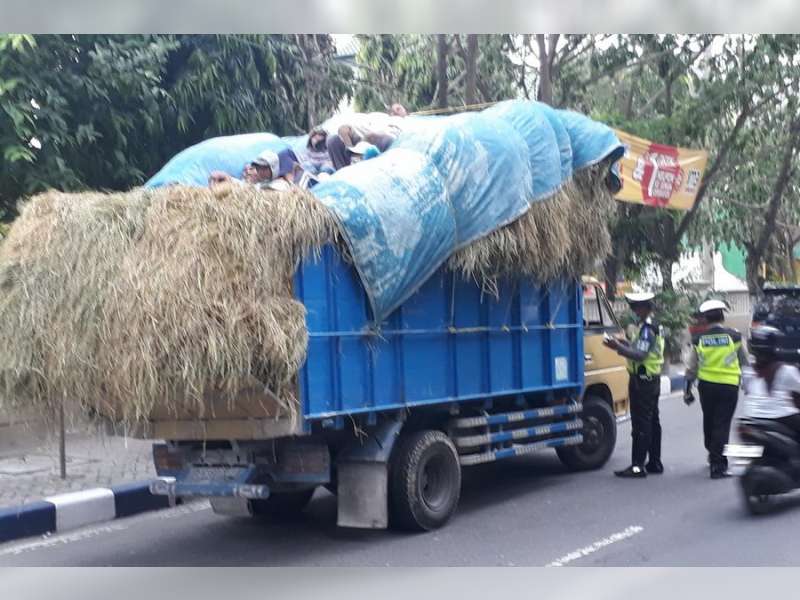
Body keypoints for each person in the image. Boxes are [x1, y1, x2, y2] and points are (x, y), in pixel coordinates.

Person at [684, 299, 749, 479]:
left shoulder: (698, 340)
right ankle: (718, 465)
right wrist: (749, 383)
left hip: (707, 386)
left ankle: (713, 453)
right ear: (722, 316)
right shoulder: (734, 336)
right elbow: (745, 360)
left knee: (710, 421)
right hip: (729, 386)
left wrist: (687, 390)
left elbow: (691, 367)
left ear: (705, 319)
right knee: (722, 424)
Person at [603, 292, 665, 478]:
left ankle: (638, 466)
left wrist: (618, 348)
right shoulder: (648, 327)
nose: (633, 311)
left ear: (645, 307)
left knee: (641, 424)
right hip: (650, 379)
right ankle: (654, 462)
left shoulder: (647, 329)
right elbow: (640, 348)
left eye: (636, 307)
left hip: (643, 381)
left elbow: (640, 355)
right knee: (653, 421)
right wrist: (625, 343)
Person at [743, 325, 800, 439]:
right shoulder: (786, 370)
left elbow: (747, 391)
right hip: (780, 416)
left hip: (751, 416)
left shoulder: (748, 370)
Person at [327, 109, 406, 170]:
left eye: (399, 109)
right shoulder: (374, 117)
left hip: (377, 141)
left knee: (383, 139)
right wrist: (350, 148)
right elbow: (343, 130)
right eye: (395, 109)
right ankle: (343, 175)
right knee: (333, 140)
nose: (396, 111)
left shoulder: (401, 122)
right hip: (359, 140)